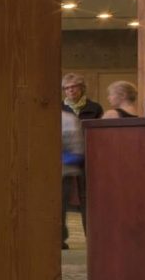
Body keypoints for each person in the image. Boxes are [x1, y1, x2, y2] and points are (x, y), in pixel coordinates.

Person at [60, 107, 86, 250]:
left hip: (63, 172)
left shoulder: (68, 119)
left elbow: (77, 150)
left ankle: (58, 239)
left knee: (58, 208)